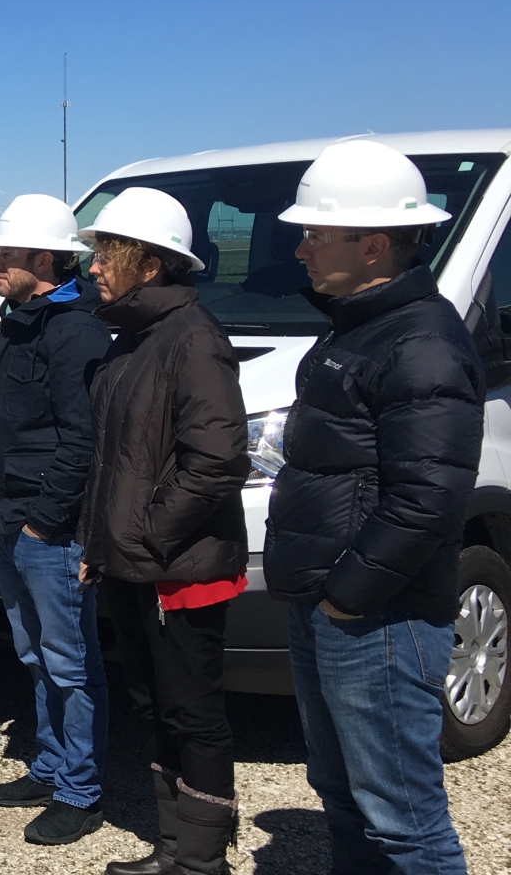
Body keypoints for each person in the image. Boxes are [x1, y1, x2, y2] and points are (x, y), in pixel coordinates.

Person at [266, 140, 482, 875]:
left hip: (378, 618)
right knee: (344, 794)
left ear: (375, 243)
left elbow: (428, 498)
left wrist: (347, 599)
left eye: (315, 234)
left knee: (405, 821)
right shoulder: (356, 326)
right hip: (330, 603)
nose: (300, 250)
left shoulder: (422, 343)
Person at [76, 188, 250, 875]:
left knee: (193, 712)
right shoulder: (136, 339)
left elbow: (216, 463)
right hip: (132, 562)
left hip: (181, 569)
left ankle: (202, 861)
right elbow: (111, 460)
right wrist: (102, 543)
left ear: (148, 265)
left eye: (106, 254)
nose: (93, 267)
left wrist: (146, 535)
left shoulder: (193, 341)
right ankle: (173, 847)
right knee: (155, 704)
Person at [0, 193, 113, 846]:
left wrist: (45, 523)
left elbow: (81, 440)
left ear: (43, 256)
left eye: (5, 251)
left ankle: (80, 790)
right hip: (7, 516)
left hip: (45, 529)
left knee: (69, 661)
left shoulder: (75, 330)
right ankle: (51, 765)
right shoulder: (23, 319)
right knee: (33, 654)